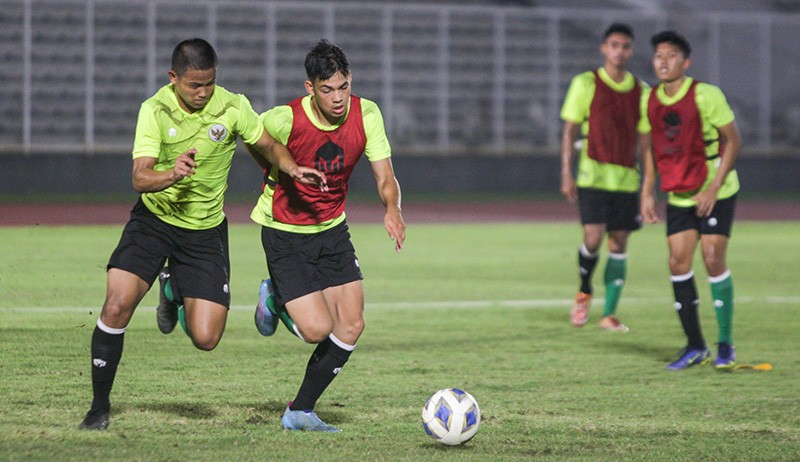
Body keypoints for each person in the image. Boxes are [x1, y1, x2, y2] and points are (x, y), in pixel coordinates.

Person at [78, 38, 327, 430]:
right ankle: (98, 408)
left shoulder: (232, 106)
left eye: (209, 83)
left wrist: (291, 168)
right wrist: (171, 173)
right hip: (153, 223)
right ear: (173, 78)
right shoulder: (155, 110)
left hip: (204, 233)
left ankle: (172, 287)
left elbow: (268, 144)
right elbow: (140, 177)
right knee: (116, 304)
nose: (203, 92)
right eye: (195, 85)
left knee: (206, 338)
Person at [248, 39, 405, 432]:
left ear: (350, 80)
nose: (338, 98)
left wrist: (393, 209)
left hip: (333, 229)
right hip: (285, 231)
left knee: (351, 326)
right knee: (316, 331)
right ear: (310, 88)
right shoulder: (286, 118)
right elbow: (256, 139)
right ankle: (276, 295)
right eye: (327, 89)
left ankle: (299, 410)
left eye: (343, 87)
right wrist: (276, 172)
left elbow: (385, 176)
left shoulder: (367, 114)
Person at [639, 30, 741, 371]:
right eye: (658, 56)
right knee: (677, 264)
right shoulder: (650, 99)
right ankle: (696, 346)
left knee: (712, 259)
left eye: (671, 55)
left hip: (716, 191)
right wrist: (647, 190)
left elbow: (733, 142)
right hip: (680, 194)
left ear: (686, 62)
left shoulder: (706, 94)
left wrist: (713, 188)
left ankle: (725, 344)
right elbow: (650, 147)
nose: (663, 61)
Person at [559, 23, 648, 332]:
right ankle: (584, 290)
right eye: (614, 45)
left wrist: (648, 185)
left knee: (619, 242)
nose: (619, 51)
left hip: (625, 179)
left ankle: (609, 313)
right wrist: (566, 172)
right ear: (604, 48)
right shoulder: (586, 83)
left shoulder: (642, 91)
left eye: (625, 46)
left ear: (630, 51)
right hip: (593, 176)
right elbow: (570, 129)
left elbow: (645, 140)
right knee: (593, 238)